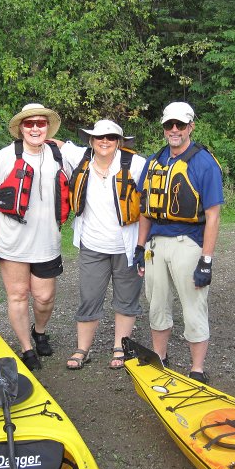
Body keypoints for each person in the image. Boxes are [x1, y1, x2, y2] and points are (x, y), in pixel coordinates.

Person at [134, 102, 224, 384]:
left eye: (180, 125)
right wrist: (140, 248)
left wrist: (206, 260)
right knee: (156, 303)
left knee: (192, 305)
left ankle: (197, 368)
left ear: (190, 127)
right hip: (156, 244)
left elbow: (213, 215)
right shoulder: (154, 161)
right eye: (169, 125)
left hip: (188, 241)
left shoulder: (204, 163)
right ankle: (160, 358)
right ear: (163, 128)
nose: (174, 130)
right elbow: (145, 208)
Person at [0, 103, 72, 371]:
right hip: (12, 243)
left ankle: (39, 331)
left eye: (40, 123)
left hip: (47, 243)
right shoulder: (5, 157)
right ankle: (27, 348)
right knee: (18, 295)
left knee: (44, 298)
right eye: (29, 124)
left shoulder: (59, 155)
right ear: (21, 128)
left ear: (47, 127)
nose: (35, 128)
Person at [56, 120, 147, 370]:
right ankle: (82, 348)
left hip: (126, 246)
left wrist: (145, 246)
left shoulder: (135, 165)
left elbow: (153, 193)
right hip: (92, 245)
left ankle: (120, 346)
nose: (104, 141)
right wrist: (25, 139)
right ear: (91, 140)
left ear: (118, 141)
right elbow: (58, 144)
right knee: (89, 297)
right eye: (99, 137)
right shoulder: (82, 158)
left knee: (126, 299)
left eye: (110, 137)